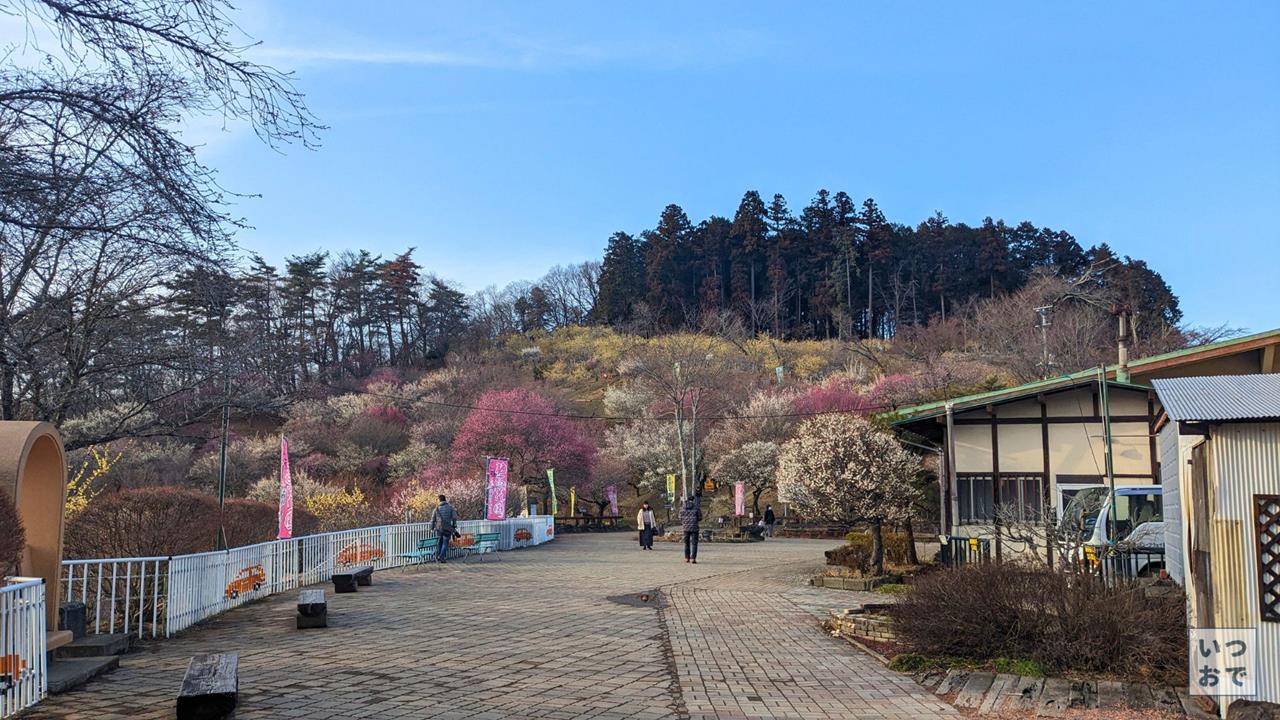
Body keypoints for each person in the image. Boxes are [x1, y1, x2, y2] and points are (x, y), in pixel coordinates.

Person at [430, 494, 457, 564]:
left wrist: (431, 528)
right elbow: (454, 517)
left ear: (439, 500)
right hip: (447, 528)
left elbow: (432, 520)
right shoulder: (450, 507)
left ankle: (440, 556)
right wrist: (454, 525)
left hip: (439, 528)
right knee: (445, 543)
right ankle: (442, 556)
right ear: (445, 499)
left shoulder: (436, 509)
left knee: (440, 542)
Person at [679, 495, 702, 563]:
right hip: (694, 527)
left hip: (685, 528)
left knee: (686, 543)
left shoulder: (683, 507)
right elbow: (700, 517)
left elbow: (680, 517)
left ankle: (687, 558)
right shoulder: (696, 507)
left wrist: (684, 522)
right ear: (693, 500)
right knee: (694, 543)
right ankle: (693, 558)